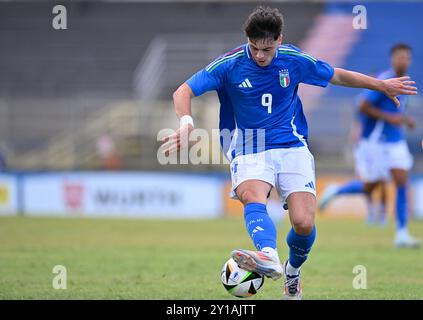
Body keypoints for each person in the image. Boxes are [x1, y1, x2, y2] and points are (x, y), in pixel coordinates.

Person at [161, 7, 418, 299]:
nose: (259, 55)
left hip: (292, 145)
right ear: (247, 39)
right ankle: (268, 253)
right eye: (254, 48)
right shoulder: (230, 64)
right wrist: (186, 123)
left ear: (279, 40)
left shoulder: (294, 60)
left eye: (267, 49)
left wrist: (381, 85)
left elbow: (337, 76)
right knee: (251, 194)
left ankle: (292, 272)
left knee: (304, 223)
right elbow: (183, 91)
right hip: (249, 144)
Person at [319, 44, 420, 247]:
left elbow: (396, 112)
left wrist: (404, 120)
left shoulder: (405, 82)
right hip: (376, 141)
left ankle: (401, 233)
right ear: (393, 59)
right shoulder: (384, 80)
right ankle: (336, 191)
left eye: (407, 58)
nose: (404, 61)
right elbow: (362, 105)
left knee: (401, 180)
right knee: (369, 186)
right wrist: (389, 118)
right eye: (400, 57)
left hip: (396, 141)